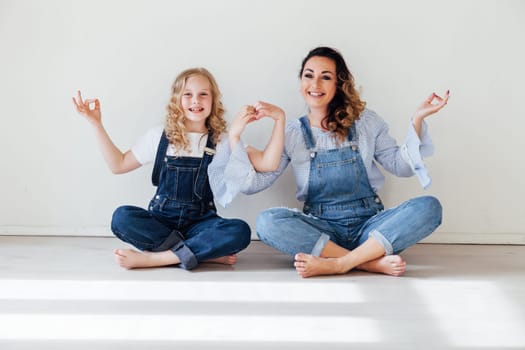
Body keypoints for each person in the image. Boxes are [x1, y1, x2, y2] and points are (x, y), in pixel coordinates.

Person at [209, 47, 449, 278]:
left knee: (429, 207)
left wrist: (417, 119)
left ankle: (341, 264)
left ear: (339, 83)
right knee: (267, 222)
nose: (315, 85)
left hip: (370, 228)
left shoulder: (366, 122)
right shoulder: (293, 132)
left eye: (325, 77)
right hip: (322, 232)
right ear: (301, 81)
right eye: (308, 76)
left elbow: (401, 166)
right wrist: (237, 144)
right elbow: (255, 184)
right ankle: (368, 263)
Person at [72, 67, 256, 270]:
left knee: (239, 230)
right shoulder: (159, 136)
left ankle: (156, 259)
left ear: (214, 100)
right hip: (161, 222)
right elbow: (118, 165)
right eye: (188, 94)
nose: (195, 100)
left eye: (203, 94)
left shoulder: (222, 140)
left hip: (201, 224)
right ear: (177, 100)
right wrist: (96, 124)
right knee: (121, 217)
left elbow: (265, 164)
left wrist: (255, 126)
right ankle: (200, 254)